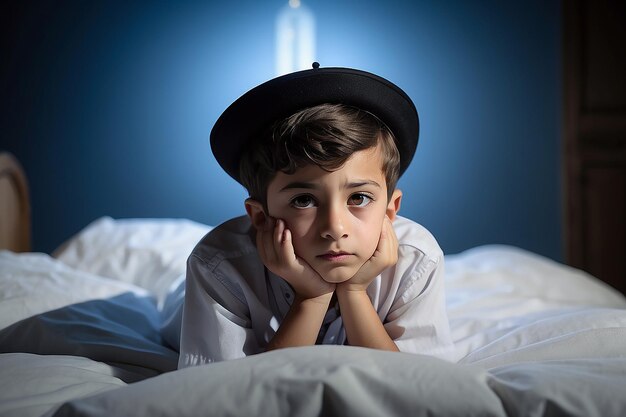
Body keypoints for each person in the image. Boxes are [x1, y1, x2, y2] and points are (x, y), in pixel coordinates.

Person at [173, 64, 455, 367]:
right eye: (304, 200)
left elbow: (415, 383)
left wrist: (355, 292)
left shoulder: (417, 259)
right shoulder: (218, 267)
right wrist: (312, 298)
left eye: (358, 198)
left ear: (390, 210)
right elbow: (234, 394)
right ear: (261, 217)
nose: (335, 228)